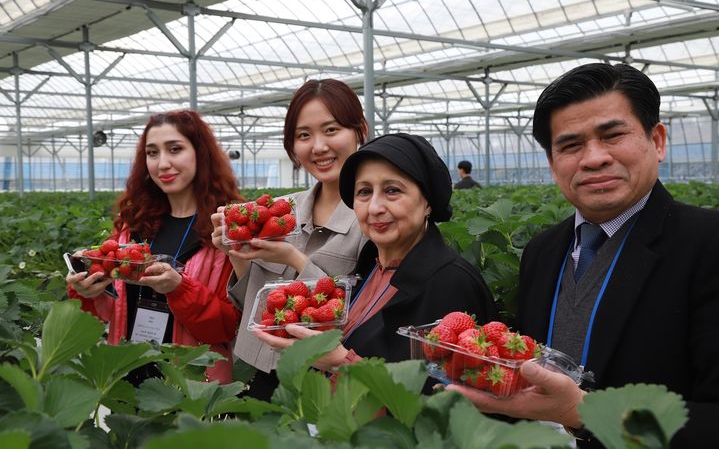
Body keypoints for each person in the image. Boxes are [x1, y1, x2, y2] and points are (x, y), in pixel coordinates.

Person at [449, 63, 719, 447]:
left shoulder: (707, 244)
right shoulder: (542, 251)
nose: (593, 158)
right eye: (571, 145)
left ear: (657, 141)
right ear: (552, 161)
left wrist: (584, 412)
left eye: (612, 135)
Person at [255, 133, 497, 375]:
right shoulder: (368, 262)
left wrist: (340, 363)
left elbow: (445, 400)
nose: (374, 208)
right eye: (364, 192)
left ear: (428, 202)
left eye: (392, 190)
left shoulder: (451, 283)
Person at [211, 79, 371, 400]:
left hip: (320, 380)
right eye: (303, 135)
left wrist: (293, 258)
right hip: (256, 371)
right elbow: (251, 304)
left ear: (359, 131)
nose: (318, 146)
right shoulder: (281, 211)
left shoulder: (371, 220)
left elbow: (357, 318)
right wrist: (237, 254)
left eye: (331, 130)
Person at [68, 110, 242, 384]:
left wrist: (179, 288)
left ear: (201, 153)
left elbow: (229, 325)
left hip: (191, 385)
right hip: (127, 372)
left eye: (175, 149)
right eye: (152, 153)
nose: (162, 163)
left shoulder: (223, 229)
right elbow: (109, 309)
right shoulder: (133, 224)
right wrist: (87, 290)